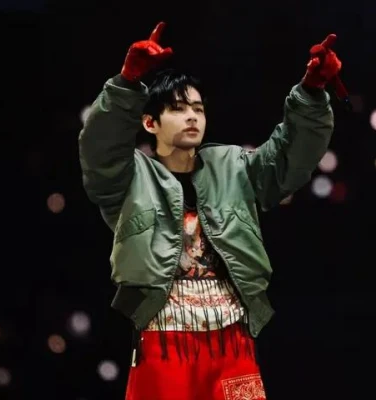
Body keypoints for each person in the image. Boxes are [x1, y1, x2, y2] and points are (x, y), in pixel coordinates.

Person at [79, 21, 342, 400]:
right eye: (178, 108)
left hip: (233, 343)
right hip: (164, 343)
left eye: (198, 109)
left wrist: (312, 91)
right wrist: (127, 82)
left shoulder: (235, 168)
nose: (192, 116)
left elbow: (290, 156)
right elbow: (99, 149)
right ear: (149, 122)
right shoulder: (128, 178)